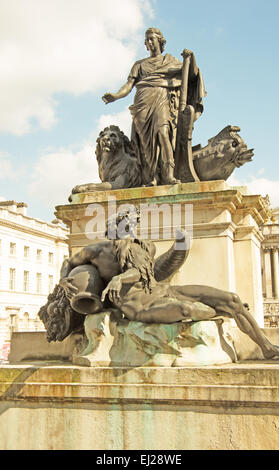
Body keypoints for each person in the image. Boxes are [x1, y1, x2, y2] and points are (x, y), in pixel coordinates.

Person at [59, 212, 279, 360]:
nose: (133, 229)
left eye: (135, 224)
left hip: (162, 291)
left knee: (232, 299)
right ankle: (222, 312)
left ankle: (266, 347)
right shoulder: (97, 250)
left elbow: (156, 270)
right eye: (128, 224)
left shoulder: (146, 247)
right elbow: (69, 262)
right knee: (187, 309)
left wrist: (181, 246)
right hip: (136, 306)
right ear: (115, 226)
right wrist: (64, 280)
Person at [102, 27, 206, 186]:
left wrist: (190, 59)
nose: (149, 42)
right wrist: (116, 96)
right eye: (147, 40)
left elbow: (191, 73)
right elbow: (129, 85)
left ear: (160, 40)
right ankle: (152, 178)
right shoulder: (139, 65)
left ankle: (169, 175)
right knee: (146, 146)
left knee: (164, 134)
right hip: (142, 103)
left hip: (161, 99)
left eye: (152, 39)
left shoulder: (169, 61)